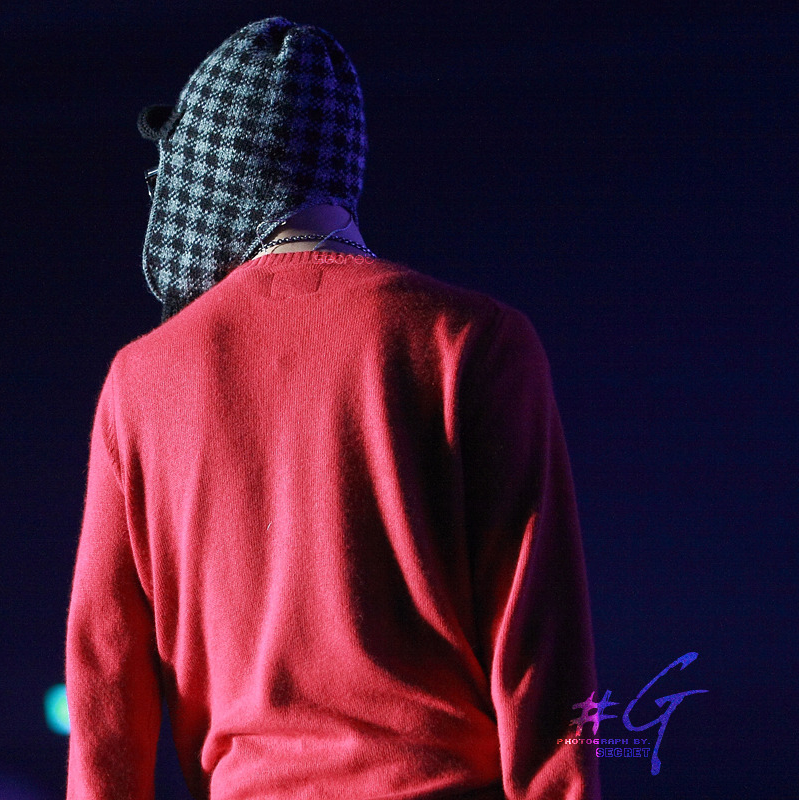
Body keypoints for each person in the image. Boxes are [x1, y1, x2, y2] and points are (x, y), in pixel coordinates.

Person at [65, 17, 599, 800]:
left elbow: (105, 676)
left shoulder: (141, 381)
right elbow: (543, 643)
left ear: (213, 170)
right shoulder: (472, 341)